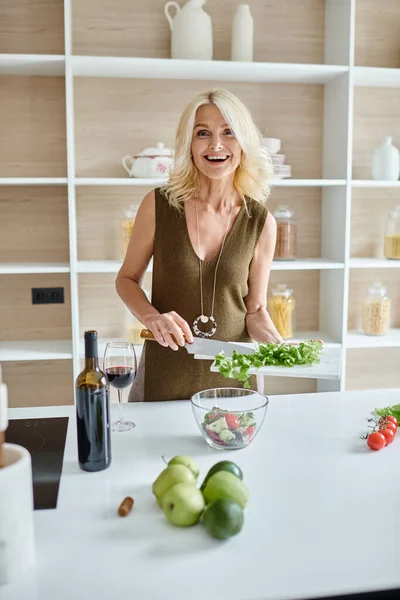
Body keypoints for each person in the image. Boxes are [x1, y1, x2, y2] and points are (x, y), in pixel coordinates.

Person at [116, 88, 282, 402]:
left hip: (236, 384)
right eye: (203, 133)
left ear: (244, 142)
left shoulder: (261, 222)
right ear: (189, 144)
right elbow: (126, 280)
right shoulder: (158, 205)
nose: (216, 145)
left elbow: (255, 310)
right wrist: (153, 317)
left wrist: (279, 348)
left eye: (228, 132)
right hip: (163, 377)